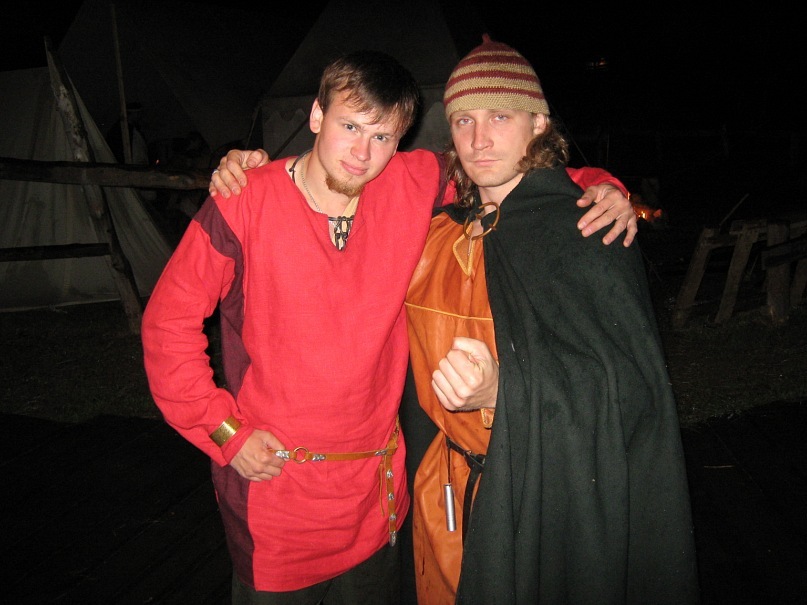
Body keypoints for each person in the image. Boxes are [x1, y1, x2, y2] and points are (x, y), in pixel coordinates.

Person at [145, 51, 634, 604]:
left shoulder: (412, 183)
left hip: (375, 497)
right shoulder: (244, 201)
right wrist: (224, 433)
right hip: (275, 492)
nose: (362, 153)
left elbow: (508, 174)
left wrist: (603, 185)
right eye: (350, 127)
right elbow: (167, 326)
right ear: (316, 116)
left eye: (382, 137)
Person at [403, 36, 700, 604]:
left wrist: (505, 389)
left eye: (499, 117)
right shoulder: (437, 232)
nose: (479, 139)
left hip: (544, 500)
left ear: (538, 123)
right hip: (441, 491)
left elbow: (629, 392)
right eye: (463, 120)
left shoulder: (589, 230)